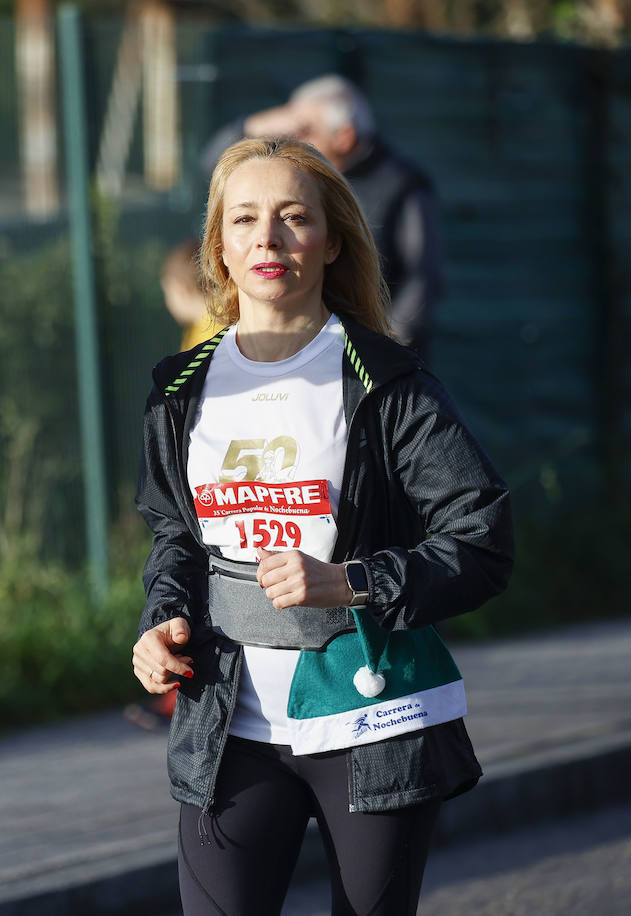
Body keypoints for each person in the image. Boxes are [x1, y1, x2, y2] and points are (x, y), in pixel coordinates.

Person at [131, 136, 512, 915]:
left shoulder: (388, 382)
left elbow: (481, 536)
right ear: (220, 247)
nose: (267, 238)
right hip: (227, 722)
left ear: (332, 241)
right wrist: (161, 622)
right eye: (244, 220)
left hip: (374, 715)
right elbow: (176, 535)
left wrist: (354, 582)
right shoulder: (178, 392)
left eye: (293, 217)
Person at [193, 74, 444, 361]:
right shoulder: (197, 376)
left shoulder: (402, 184)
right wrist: (258, 125)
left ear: (345, 137)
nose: (292, 140)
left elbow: (422, 278)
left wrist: (382, 348)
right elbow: (214, 164)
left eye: (295, 217)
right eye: (245, 220)